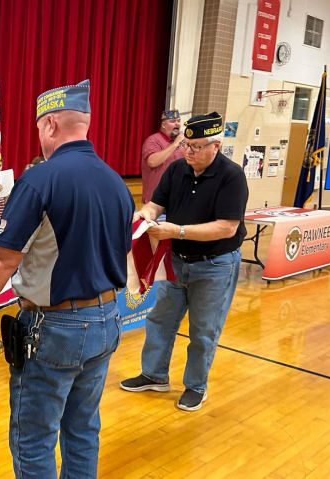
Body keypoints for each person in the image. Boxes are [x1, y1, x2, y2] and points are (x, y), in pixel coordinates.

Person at [0, 80, 134, 478]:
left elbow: (1, 260)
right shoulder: (116, 182)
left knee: (34, 437)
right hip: (107, 319)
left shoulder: (41, 179)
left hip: (56, 327)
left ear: (49, 125)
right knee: (83, 429)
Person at [120, 111, 248, 412]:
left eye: (196, 147)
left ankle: (195, 387)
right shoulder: (177, 169)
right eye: (186, 146)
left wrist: (177, 231)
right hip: (176, 261)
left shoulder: (231, 176)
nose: (188, 152)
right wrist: (145, 215)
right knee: (159, 320)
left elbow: (226, 227)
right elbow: (155, 204)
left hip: (215, 265)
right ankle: (154, 374)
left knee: (203, 330)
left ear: (215, 145)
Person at [141, 109, 184, 204]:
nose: (177, 124)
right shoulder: (153, 140)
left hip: (176, 198)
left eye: (178, 121)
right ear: (163, 125)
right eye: (172, 121)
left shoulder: (183, 142)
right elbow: (152, 162)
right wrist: (175, 144)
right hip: (155, 199)